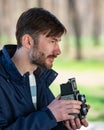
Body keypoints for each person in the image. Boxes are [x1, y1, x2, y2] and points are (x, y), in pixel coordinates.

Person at [0, 7, 89, 130]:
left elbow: (45, 123)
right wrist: (50, 115)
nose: (58, 51)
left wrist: (63, 121)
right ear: (28, 41)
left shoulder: (39, 77)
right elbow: (47, 116)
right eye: (52, 41)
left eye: (58, 42)